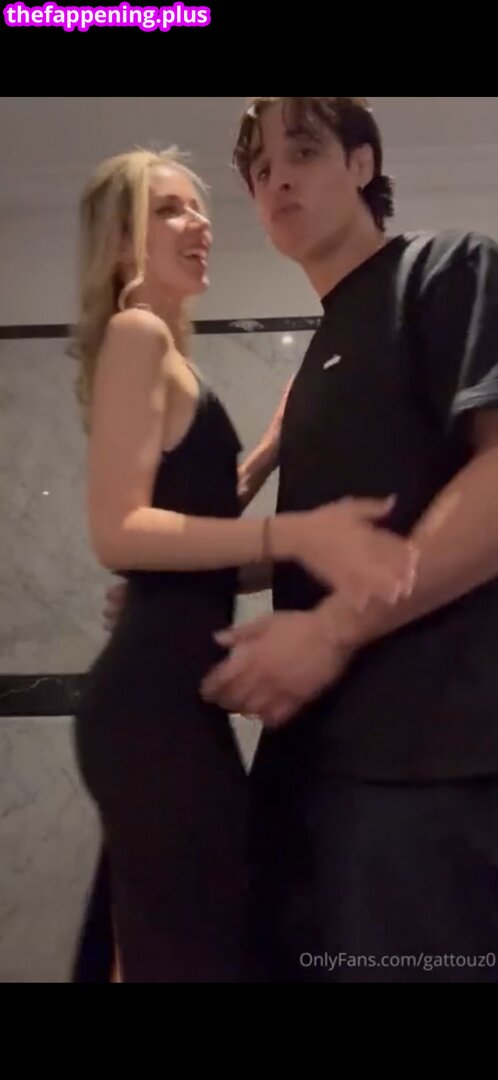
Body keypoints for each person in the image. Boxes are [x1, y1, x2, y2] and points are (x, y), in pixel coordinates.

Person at [70, 144, 416, 983]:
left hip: (164, 703)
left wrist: (265, 454)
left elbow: (188, 517)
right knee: (195, 952)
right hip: (151, 706)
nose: (199, 224)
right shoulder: (137, 332)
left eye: (198, 207)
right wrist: (293, 535)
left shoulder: (167, 354)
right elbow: (120, 531)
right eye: (168, 209)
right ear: (120, 242)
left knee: (178, 944)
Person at [199, 97, 498, 983]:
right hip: (311, 772)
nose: (277, 180)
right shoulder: (326, 351)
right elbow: (318, 542)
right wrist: (176, 580)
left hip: (427, 776)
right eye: (261, 170)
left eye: (302, 152)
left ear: (362, 165)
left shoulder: (448, 268)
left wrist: (330, 630)